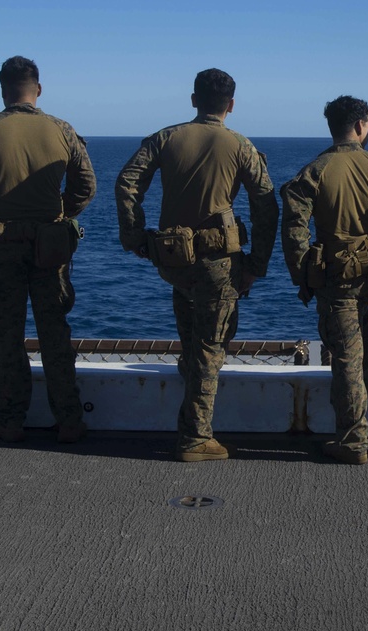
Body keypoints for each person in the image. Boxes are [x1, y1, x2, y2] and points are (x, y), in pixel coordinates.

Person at [115, 68, 279, 463]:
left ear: (194, 100)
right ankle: (195, 437)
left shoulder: (166, 138)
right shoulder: (240, 146)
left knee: (191, 338)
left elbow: (127, 183)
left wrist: (135, 237)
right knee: (211, 344)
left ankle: (189, 420)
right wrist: (257, 264)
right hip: (219, 262)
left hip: (174, 258)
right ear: (232, 104)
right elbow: (266, 207)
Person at [0, 56, 96, 444]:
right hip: (51, 245)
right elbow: (86, 186)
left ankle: (10, 420)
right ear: (39, 89)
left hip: (1, 246)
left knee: (8, 335)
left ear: (3, 89)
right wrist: (57, 213)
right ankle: (69, 420)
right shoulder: (61, 129)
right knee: (54, 334)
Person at [281, 96, 368, 465]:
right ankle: (359, 424)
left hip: (336, 280)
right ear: (360, 126)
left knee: (346, 357)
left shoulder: (314, 171)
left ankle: (353, 440)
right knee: (360, 344)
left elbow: (294, 227)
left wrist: (301, 277)